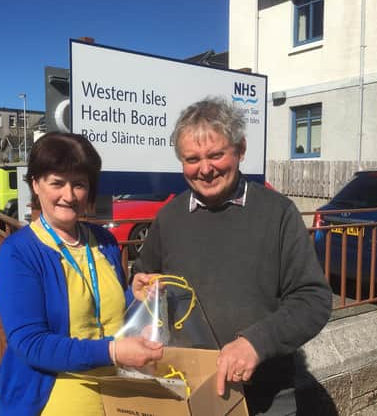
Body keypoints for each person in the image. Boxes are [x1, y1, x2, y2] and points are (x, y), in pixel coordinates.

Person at [133, 97, 332, 415]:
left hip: (267, 394)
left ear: (240, 149)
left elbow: (313, 299)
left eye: (216, 155)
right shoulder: (169, 217)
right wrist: (144, 295)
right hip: (188, 391)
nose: (205, 169)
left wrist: (256, 343)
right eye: (192, 159)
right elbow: (144, 278)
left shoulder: (277, 213)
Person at [0, 132, 164, 416]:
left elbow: (104, 314)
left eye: (79, 185)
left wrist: (134, 296)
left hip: (120, 397)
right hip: (50, 402)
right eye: (57, 183)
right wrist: (112, 352)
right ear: (36, 184)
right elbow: (31, 343)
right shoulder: (18, 253)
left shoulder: (103, 241)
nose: (69, 196)